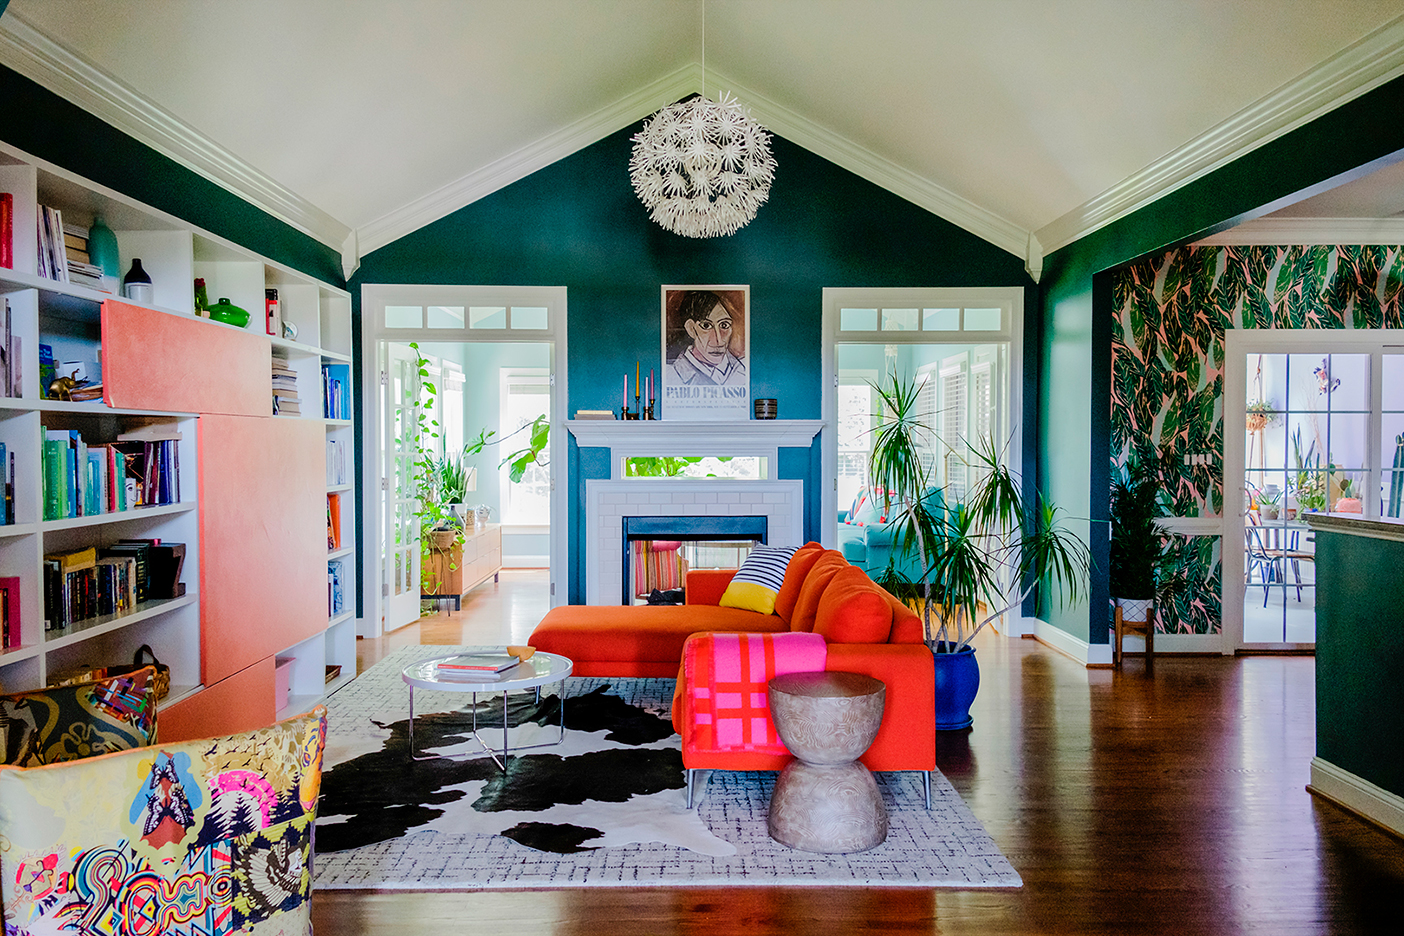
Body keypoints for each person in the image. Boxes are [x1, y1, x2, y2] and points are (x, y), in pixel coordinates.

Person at [668, 290, 746, 387]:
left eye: (724, 325)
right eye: (706, 325)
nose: (719, 340)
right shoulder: (672, 373)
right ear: (691, 329)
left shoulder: (742, 368)